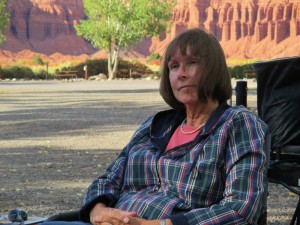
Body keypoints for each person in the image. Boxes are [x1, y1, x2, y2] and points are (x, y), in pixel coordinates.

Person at [43, 28, 269, 225]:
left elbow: (240, 208)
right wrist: (98, 211)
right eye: (173, 66)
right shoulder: (155, 125)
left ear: (213, 69)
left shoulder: (238, 124)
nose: (181, 74)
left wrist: (158, 224)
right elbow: (108, 179)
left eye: (192, 63)